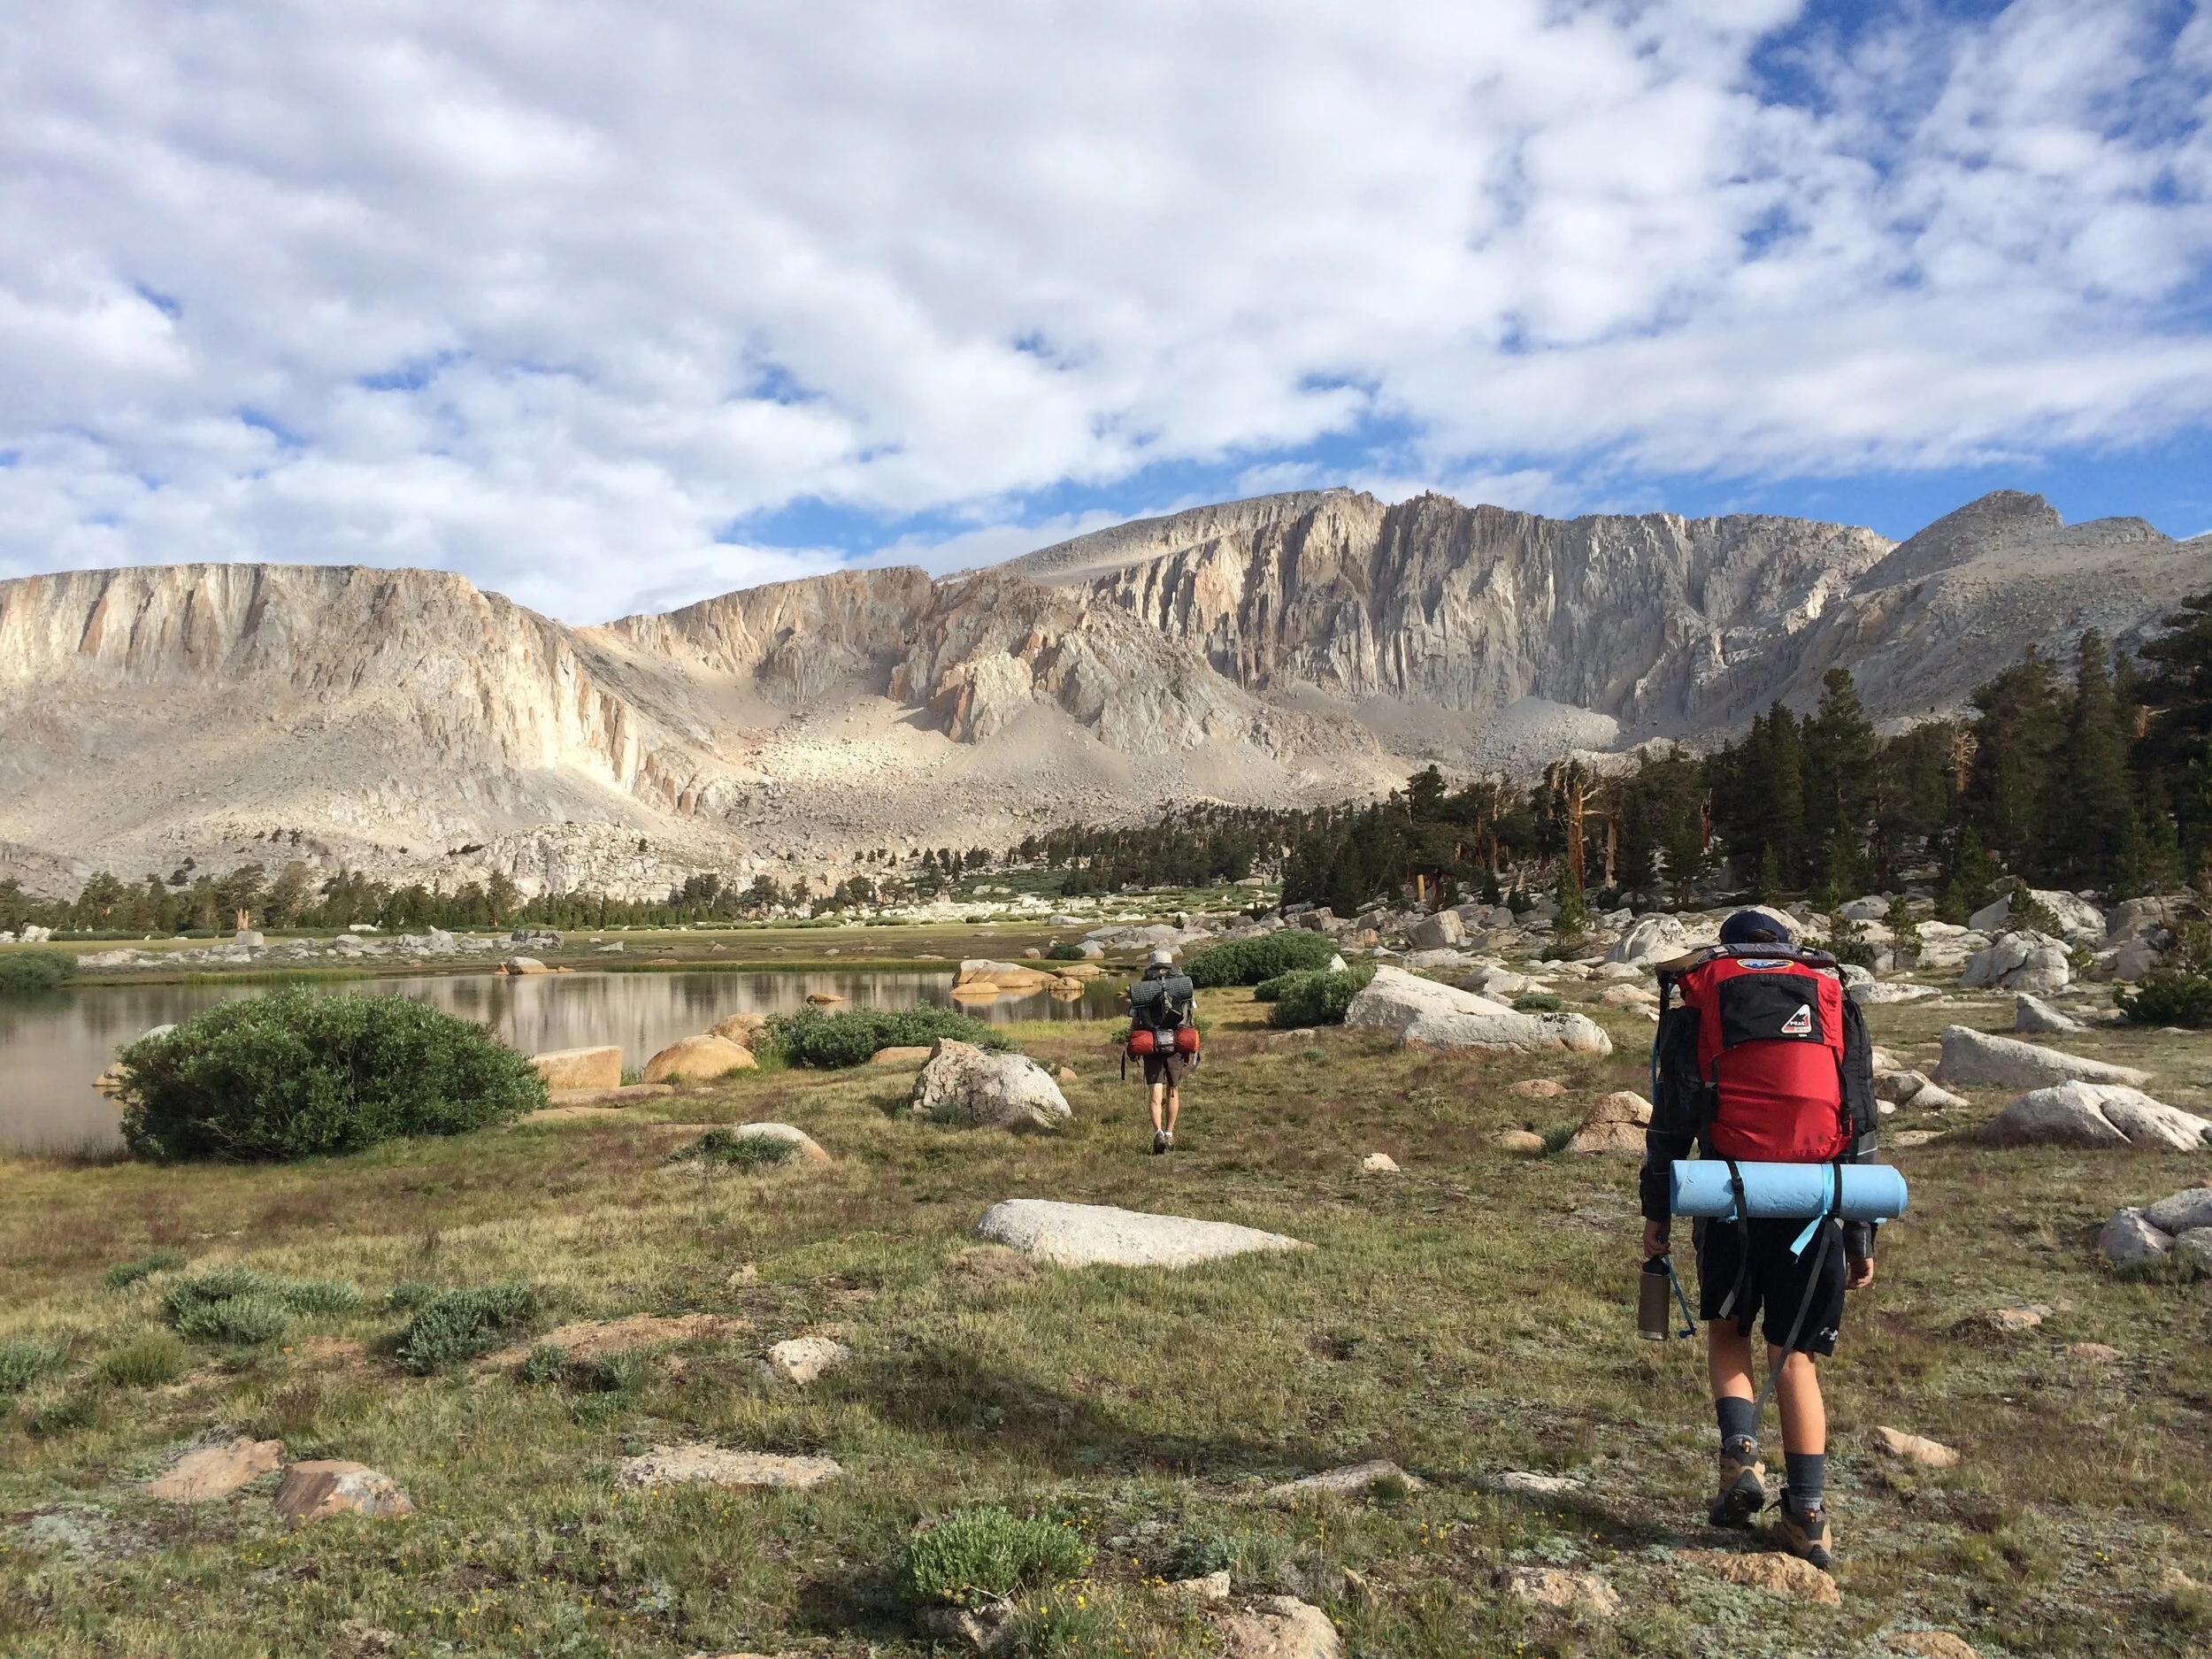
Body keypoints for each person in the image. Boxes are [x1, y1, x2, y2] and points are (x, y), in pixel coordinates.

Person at [1640, 908, 1882, 1570]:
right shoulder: (1831, 996)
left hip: (1729, 1193)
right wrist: (1860, 1230)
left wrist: (1656, 1208)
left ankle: (1741, 1461)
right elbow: (1859, 1115)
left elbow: (1674, 1113)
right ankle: (1807, 1517)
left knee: (1728, 1329)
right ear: (1788, 952)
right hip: (1815, 1202)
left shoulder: (1703, 994)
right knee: (1795, 1357)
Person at [1127, 946, 1195, 1154]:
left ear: (1152, 965)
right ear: (1171, 964)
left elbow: (1135, 1022)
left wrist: (1132, 1043)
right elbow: (1190, 1015)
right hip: (1175, 1042)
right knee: (1173, 1090)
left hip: (1152, 1044)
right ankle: (1170, 1133)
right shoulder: (1183, 987)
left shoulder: (1143, 989)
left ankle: (1157, 1133)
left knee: (1155, 1093)